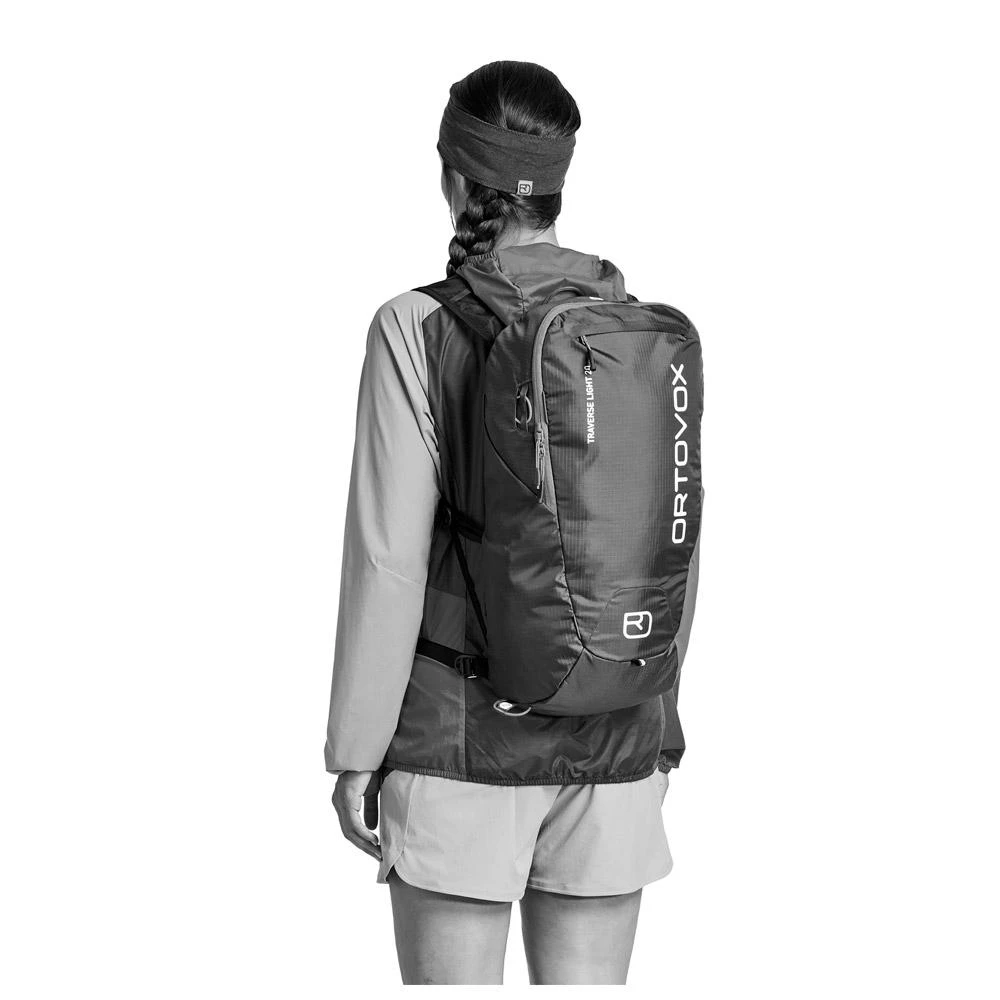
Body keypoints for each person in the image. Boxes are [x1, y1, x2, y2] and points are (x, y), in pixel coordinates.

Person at [325, 60, 701, 986]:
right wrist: (662, 726)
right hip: (618, 734)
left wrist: (356, 752)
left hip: (460, 746)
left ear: (453, 174)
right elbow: (669, 542)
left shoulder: (415, 324)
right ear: (560, 178)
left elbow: (387, 560)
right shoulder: (634, 331)